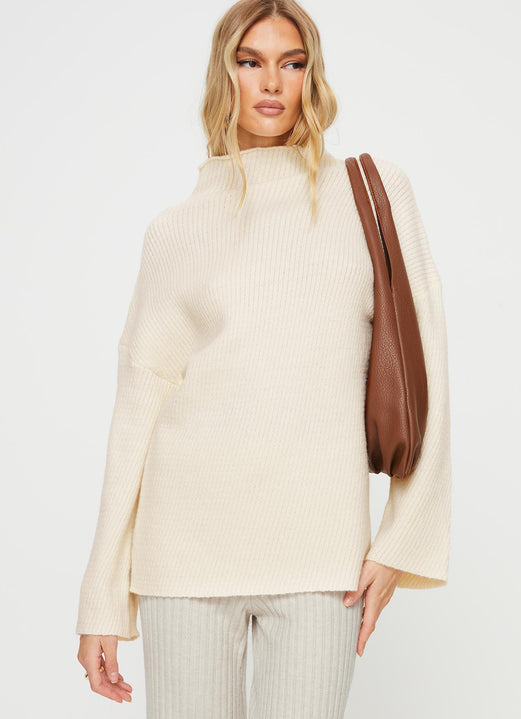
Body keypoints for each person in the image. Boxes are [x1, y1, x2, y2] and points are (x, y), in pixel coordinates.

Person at [76, 1, 452, 716]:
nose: (272, 82)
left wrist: (399, 540)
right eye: (249, 62)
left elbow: (425, 368)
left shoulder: (371, 195)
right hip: (182, 550)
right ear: (224, 76)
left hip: (320, 549)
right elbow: (137, 410)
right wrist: (101, 596)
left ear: (313, 76)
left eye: (292, 62)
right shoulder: (174, 230)